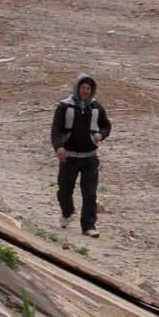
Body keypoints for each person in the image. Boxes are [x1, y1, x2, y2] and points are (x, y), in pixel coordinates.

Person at [50, 73, 111, 238]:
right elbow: (56, 129)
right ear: (77, 88)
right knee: (64, 192)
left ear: (92, 90)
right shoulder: (64, 106)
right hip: (68, 157)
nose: (85, 91)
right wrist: (59, 148)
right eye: (82, 88)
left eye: (88, 88)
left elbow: (106, 126)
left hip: (90, 158)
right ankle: (67, 212)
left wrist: (100, 135)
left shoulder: (97, 108)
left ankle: (89, 226)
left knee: (90, 193)